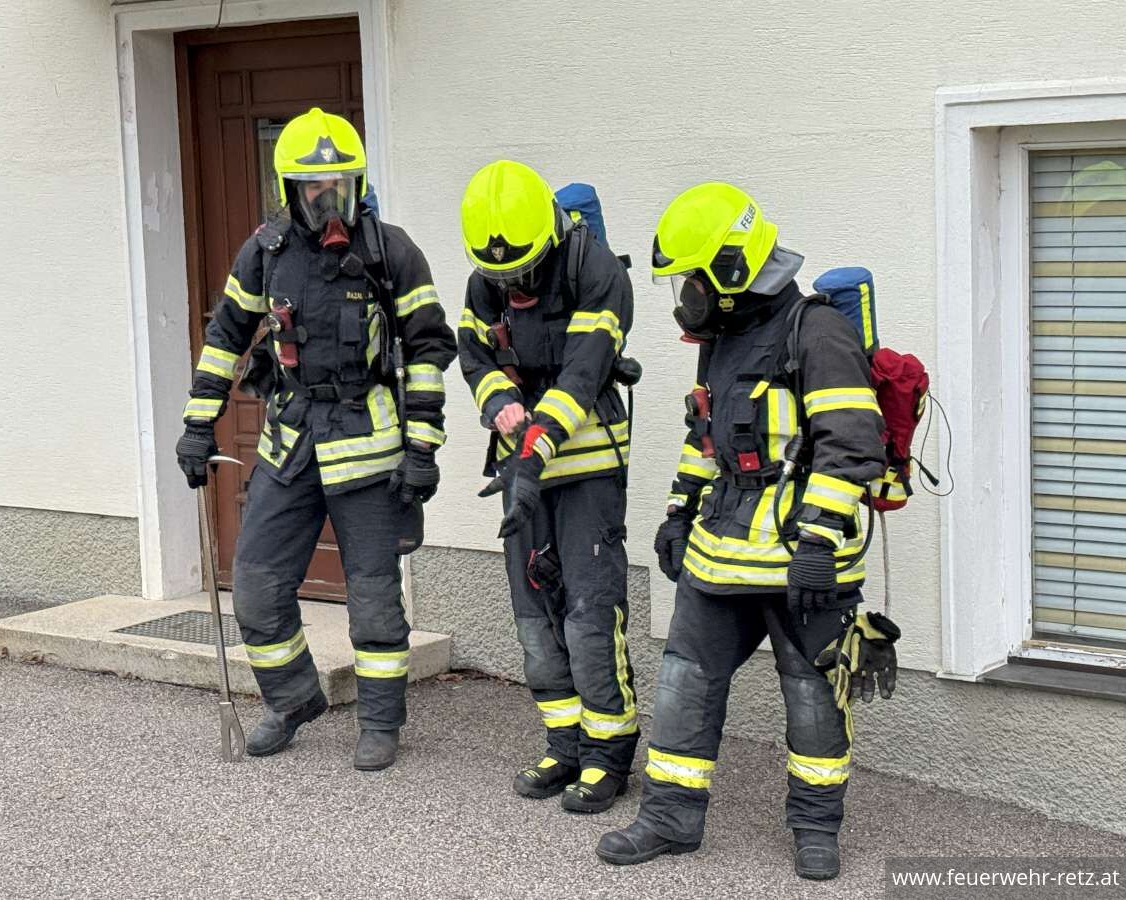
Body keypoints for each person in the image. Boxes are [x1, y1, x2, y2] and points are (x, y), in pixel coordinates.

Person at [596, 183, 886, 878]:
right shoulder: (720, 342)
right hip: (721, 552)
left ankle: (817, 829)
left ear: (730, 268)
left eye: (694, 277)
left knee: (814, 695)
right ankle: (669, 818)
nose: (686, 292)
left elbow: (852, 441)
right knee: (683, 685)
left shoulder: (816, 332)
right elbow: (706, 438)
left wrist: (817, 542)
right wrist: (676, 512)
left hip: (802, 561)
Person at [175, 108, 456, 772]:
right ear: (290, 191)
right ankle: (293, 700)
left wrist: (422, 449)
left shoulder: (393, 251)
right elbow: (226, 340)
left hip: (369, 447)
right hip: (291, 443)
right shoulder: (264, 254)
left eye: (343, 188)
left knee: (374, 597)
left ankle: (383, 722)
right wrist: (196, 423)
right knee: (256, 586)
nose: (331, 203)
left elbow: (428, 350)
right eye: (315, 190)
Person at [457, 160, 638, 813]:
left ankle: (608, 754)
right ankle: (564, 744)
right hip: (522, 474)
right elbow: (473, 352)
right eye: (502, 277)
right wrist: (497, 400)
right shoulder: (489, 280)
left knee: (589, 615)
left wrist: (533, 451)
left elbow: (583, 377)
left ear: (553, 237)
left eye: (524, 273)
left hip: (585, 465)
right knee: (535, 620)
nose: (515, 286)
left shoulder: (597, 272)